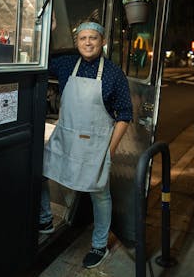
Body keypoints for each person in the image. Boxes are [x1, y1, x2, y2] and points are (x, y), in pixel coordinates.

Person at [39, 20, 133, 269]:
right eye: (83, 38)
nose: (88, 42)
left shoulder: (113, 73)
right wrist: (47, 29)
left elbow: (125, 115)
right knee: (39, 172)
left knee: (100, 196)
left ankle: (99, 245)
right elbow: (40, 61)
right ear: (77, 42)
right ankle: (45, 220)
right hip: (66, 140)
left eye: (93, 38)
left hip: (95, 148)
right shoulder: (66, 64)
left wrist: (108, 152)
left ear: (102, 41)